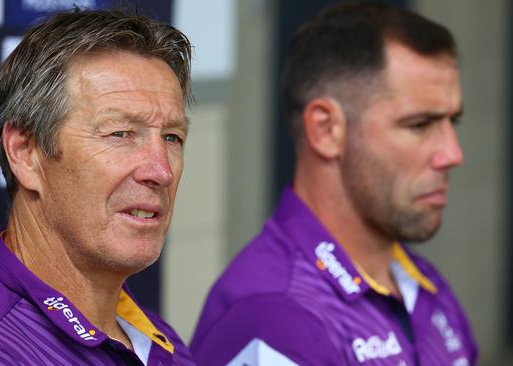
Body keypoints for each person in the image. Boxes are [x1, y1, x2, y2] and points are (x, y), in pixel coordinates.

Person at [191, 2, 478, 365]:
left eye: (453, 122)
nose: (452, 153)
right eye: (420, 125)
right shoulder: (275, 315)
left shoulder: (426, 287)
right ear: (326, 130)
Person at [0, 8, 196, 366]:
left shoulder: (160, 341)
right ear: (25, 153)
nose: (161, 171)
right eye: (120, 133)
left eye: (172, 137)